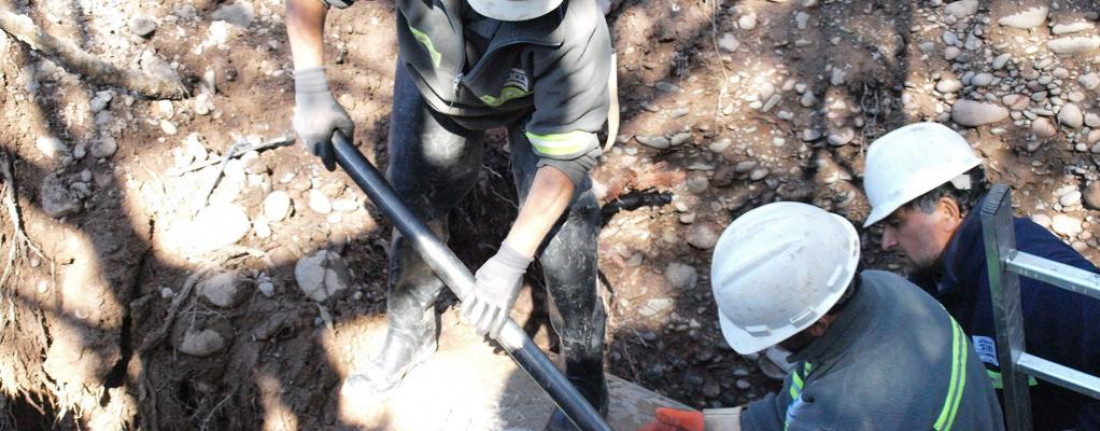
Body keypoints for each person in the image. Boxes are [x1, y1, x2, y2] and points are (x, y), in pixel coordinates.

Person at [286, 0, 613, 428]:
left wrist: (510, 260)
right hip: (436, 81)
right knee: (416, 203)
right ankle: (410, 331)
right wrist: (311, 88)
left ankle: (584, 371)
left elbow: (562, 165)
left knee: (563, 239)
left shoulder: (578, 31)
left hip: (541, 99)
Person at [641, 202, 1004, 430]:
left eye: (771, 335)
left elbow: (824, 409)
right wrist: (716, 425)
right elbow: (798, 400)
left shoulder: (849, 405)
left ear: (817, 324)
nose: (768, 346)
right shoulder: (882, 292)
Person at [861, 122, 1100, 430]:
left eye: (896, 223)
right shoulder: (944, 276)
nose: (887, 242)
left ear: (947, 211)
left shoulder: (1035, 283)